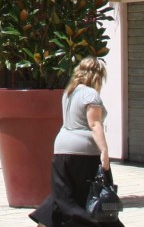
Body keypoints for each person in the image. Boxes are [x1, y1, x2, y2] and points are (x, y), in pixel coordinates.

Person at [30, 57, 124, 227]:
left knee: (63, 193)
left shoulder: (69, 93)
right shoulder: (90, 94)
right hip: (84, 152)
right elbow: (94, 124)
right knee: (95, 193)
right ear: (97, 76)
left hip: (61, 148)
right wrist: (104, 151)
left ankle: (43, 223)